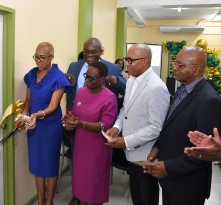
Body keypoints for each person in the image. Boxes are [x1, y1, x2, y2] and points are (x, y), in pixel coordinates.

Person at [144, 46, 221, 205]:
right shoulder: (182, 90)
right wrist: (157, 148)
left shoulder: (208, 100)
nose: (174, 68)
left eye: (180, 65)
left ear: (196, 69)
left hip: (188, 184)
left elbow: (204, 152)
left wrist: (169, 167)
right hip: (171, 181)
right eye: (174, 63)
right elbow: (170, 126)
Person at [105, 43, 170, 205]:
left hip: (145, 156)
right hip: (131, 154)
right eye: (126, 59)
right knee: (136, 196)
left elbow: (156, 128)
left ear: (145, 62)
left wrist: (126, 141)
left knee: (146, 198)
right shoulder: (132, 81)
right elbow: (126, 110)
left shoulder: (156, 87)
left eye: (130, 60)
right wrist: (117, 127)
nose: (127, 63)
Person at [65, 38, 126, 205]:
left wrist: (117, 81)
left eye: (94, 51)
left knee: (94, 182)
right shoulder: (77, 74)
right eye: (86, 51)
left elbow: (124, 88)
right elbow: (73, 101)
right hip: (80, 137)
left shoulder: (110, 87)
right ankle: (78, 196)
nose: (90, 55)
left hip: (97, 141)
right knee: (80, 176)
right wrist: (68, 118)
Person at [21, 42, 72, 205]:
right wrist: (23, 115)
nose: (38, 60)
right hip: (34, 126)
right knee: (37, 164)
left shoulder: (59, 77)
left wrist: (37, 114)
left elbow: (53, 106)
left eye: (42, 57)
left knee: (49, 165)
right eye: (36, 56)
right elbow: (28, 100)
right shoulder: (31, 75)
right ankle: (41, 201)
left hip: (50, 126)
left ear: (51, 57)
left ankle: (49, 202)